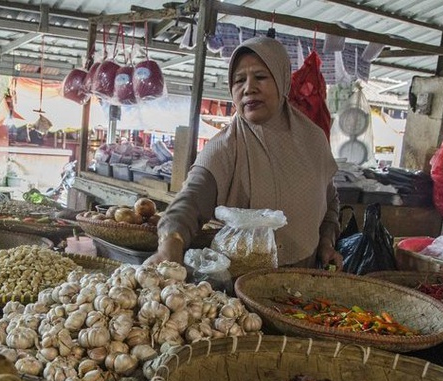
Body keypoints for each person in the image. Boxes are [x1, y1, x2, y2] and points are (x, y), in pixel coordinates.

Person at [146, 36, 342, 270]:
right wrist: (170, 244)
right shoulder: (226, 147)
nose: (249, 88)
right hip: (241, 288)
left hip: (305, 282)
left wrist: (326, 242)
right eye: (239, 80)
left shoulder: (313, 140)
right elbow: (189, 202)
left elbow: (330, 200)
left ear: (282, 81)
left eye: (260, 77)